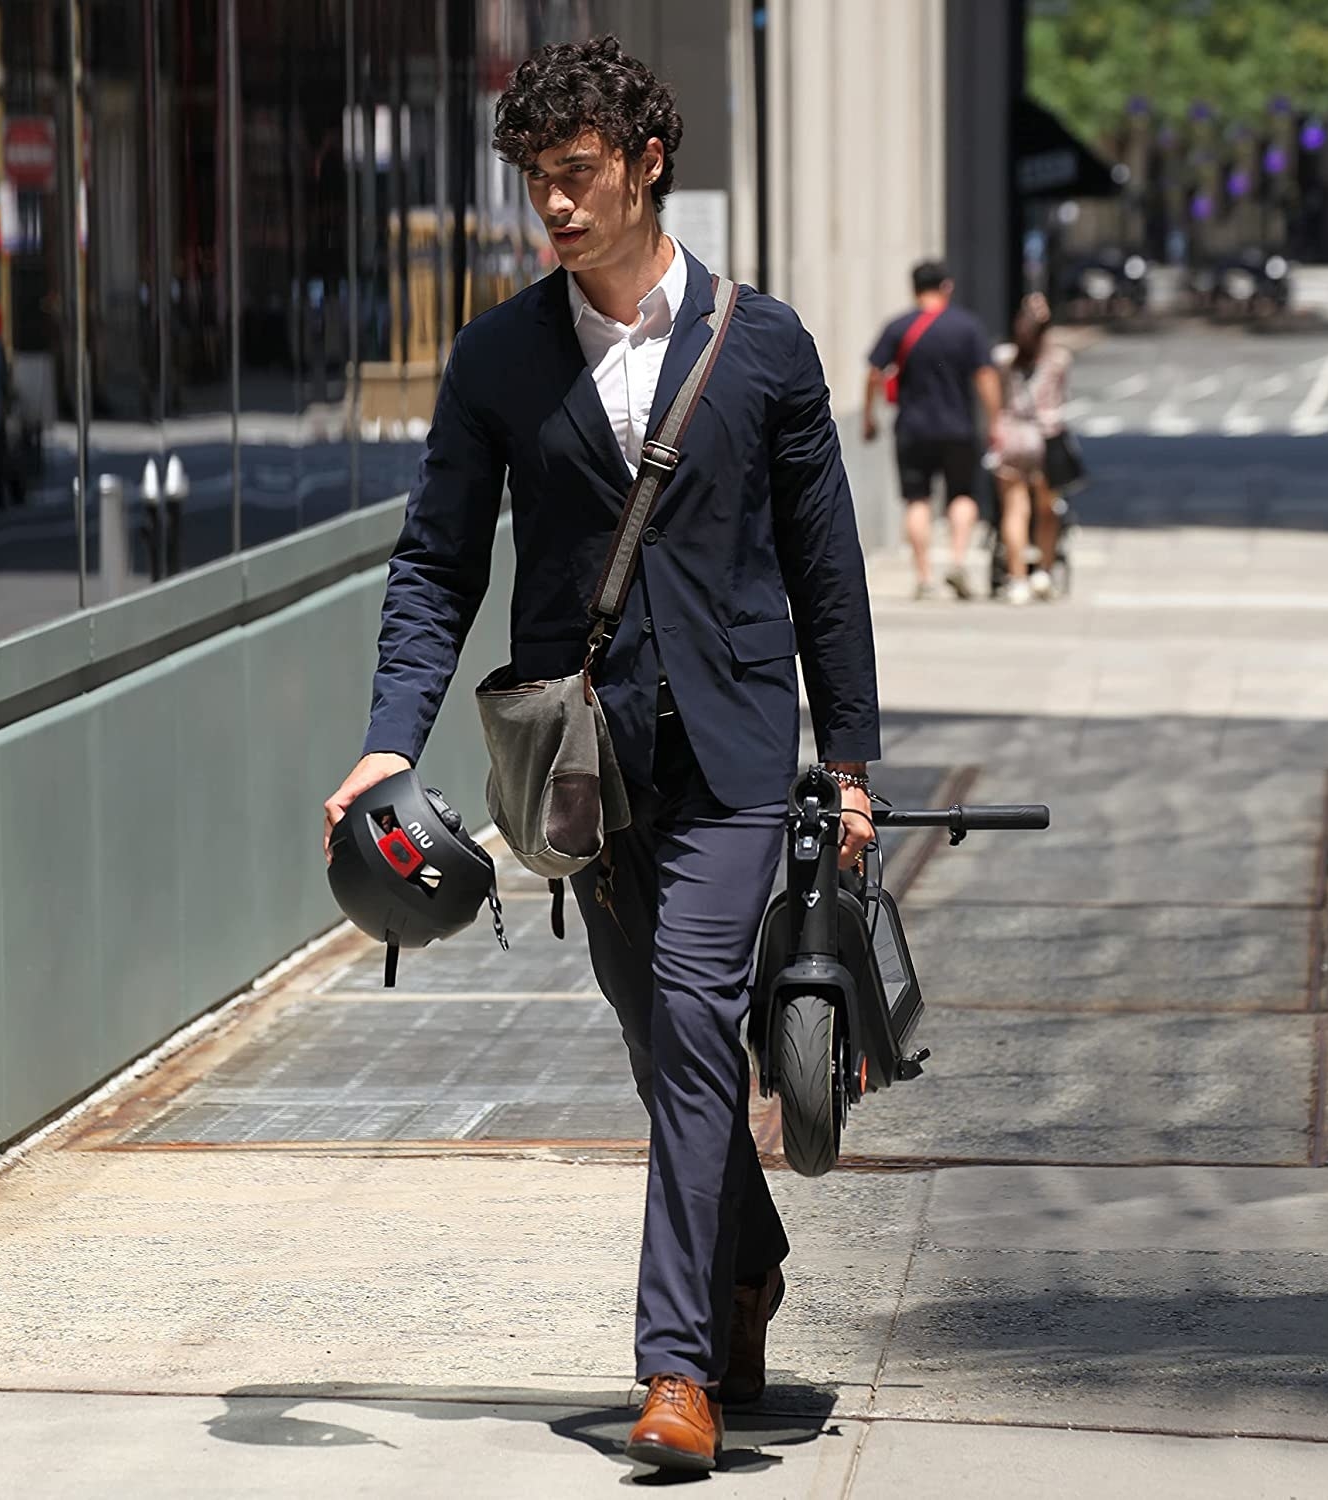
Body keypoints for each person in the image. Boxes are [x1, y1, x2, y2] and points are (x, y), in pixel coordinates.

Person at [321, 35, 878, 1474]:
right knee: (660, 1037)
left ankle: (673, 1370)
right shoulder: (500, 357)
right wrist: (387, 745)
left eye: (577, 174)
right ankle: (747, 1266)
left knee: (692, 1016)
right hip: (582, 766)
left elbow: (825, 569)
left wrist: (851, 762)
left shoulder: (764, 345)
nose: (555, 206)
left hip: (735, 749)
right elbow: (435, 566)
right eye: (537, 182)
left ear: (646, 164)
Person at [863, 261, 1002, 600]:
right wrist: (995, 421)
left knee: (917, 499)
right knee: (962, 495)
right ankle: (958, 560)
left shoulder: (898, 327)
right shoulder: (967, 327)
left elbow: (874, 373)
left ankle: (924, 577)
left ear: (914, 288)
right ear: (946, 286)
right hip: (958, 427)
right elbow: (985, 376)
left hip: (912, 428)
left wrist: (869, 416)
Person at [991, 293, 1071, 605]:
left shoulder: (1003, 358)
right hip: (1046, 436)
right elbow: (1061, 397)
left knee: (1015, 509)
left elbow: (997, 396)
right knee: (1047, 509)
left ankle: (1017, 578)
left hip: (1012, 434)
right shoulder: (1058, 359)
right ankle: (1044, 572)